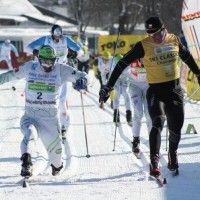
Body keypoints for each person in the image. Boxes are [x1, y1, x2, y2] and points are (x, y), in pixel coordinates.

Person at [99, 16, 200, 176]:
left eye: (157, 33)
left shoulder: (174, 40)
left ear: (163, 28)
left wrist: (198, 73)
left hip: (174, 91)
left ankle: (172, 153)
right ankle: (154, 161)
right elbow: (121, 64)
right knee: (157, 123)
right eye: (150, 34)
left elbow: (186, 56)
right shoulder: (143, 45)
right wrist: (108, 86)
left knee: (176, 127)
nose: (154, 37)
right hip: (155, 91)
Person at [0, 45, 87, 177]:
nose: (47, 65)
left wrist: (82, 81)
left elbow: (81, 75)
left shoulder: (60, 70)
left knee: (57, 158)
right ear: (39, 59)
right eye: (44, 61)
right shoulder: (30, 67)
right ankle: (26, 164)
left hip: (50, 120)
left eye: (51, 61)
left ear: (55, 60)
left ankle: (56, 167)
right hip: (31, 114)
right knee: (29, 134)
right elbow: (11, 75)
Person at [26, 24, 83, 141]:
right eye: (55, 36)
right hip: (46, 71)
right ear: (52, 34)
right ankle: (43, 124)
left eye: (59, 36)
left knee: (61, 101)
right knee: (48, 99)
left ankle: (63, 127)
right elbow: (28, 47)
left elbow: (80, 51)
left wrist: (75, 54)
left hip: (61, 71)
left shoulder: (66, 40)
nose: (58, 39)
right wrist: (35, 52)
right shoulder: (45, 39)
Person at [128, 59, 151, 154]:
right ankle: (136, 140)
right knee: (138, 112)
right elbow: (121, 68)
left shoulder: (150, 57)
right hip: (134, 86)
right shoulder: (132, 58)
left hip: (148, 86)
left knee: (149, 114)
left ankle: (152, 140)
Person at [111, 54, 132, 126]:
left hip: (124, 81)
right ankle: (116, 116)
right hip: (116, 81)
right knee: (116, 95)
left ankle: (129, 116)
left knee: (126, 94)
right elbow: (111, 75)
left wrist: (128, 84)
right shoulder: (113, 65)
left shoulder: (127, 66)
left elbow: (130, 76)